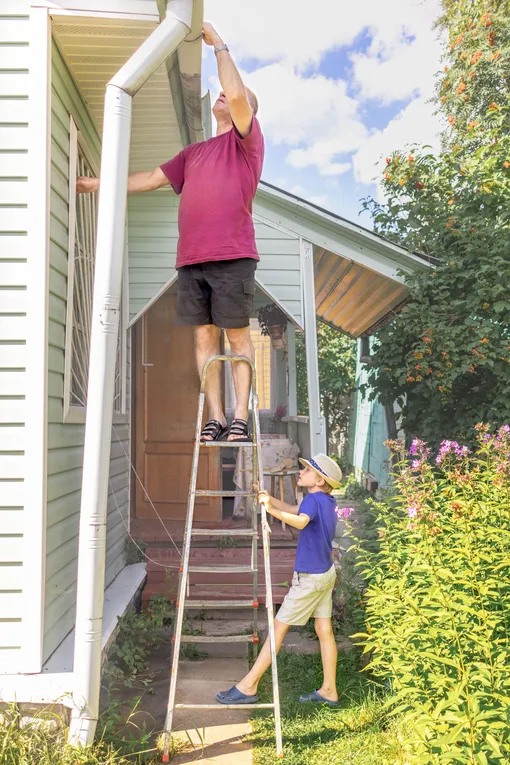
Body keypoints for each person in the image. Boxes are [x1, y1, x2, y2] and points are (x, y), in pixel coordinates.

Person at [76, 22, 263, 443]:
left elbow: (235, 93)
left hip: (232, 254)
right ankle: (214, 417)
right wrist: (97, 184)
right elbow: (148, 179)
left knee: (235, 337)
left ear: (246, 111)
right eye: (225, 94)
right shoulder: (193, 154)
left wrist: (220, 45)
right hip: (192, 259)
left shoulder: (246, 144)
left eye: (237, 99)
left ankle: (239, 417)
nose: (225, 96)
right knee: (203, 338)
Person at [217, 453, 343, 707]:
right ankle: (329, 689)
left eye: (307, 470)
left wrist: (272, 510)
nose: (301, 472)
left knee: (278, 629)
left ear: (319, 480)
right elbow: (296, 510)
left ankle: (248, 686)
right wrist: (267, 498)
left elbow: (299, 520)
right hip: (325, 573)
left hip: (310, 579)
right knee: (323, 630)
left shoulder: (312, 500)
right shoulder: (325, 501)